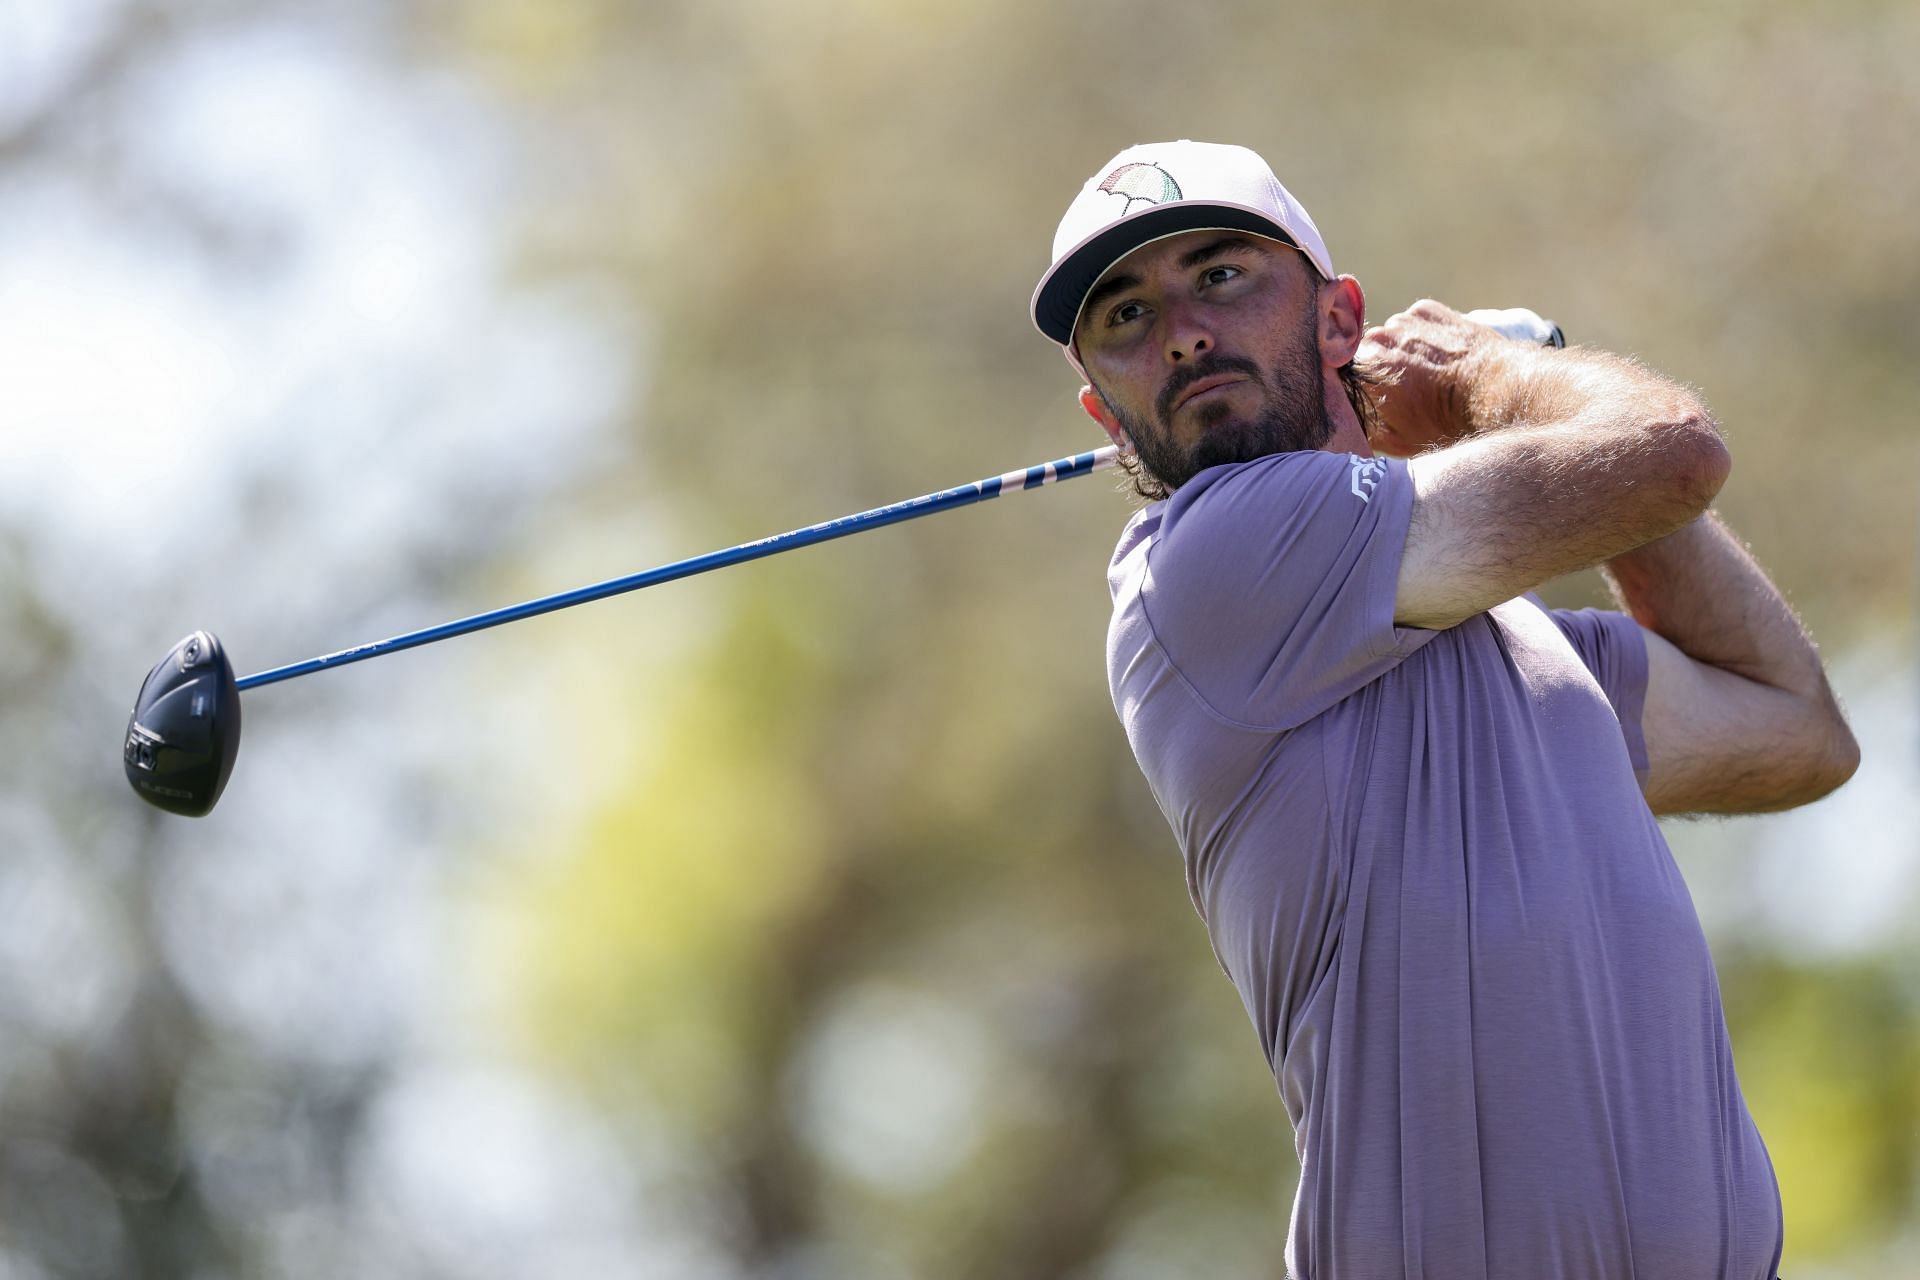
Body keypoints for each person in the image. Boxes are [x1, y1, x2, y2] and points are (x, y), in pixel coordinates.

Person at [1030, 140, 1858, 1280]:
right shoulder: (1208, 564)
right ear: (1105, 415)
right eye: (1126, 313)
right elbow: (1673, 453)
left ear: (1338, 322)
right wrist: (1492, 378)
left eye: (1221, 275)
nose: (1178, 330)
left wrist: (1534, 438)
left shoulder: (1531, 652)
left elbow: (1800, 731)